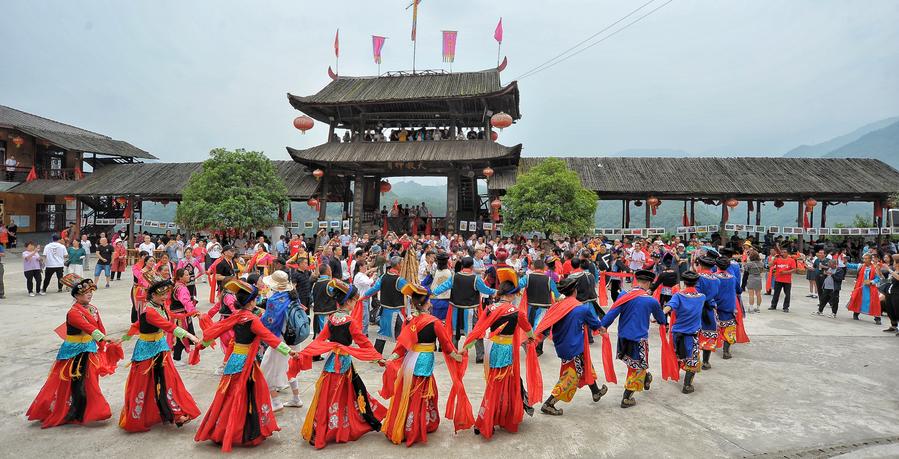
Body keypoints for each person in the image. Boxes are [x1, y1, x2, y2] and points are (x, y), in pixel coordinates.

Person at [194, 279, 298, 452]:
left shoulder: (237, 316)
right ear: (251, 302)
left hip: (234, 359)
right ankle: (242, 430)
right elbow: (269, 337)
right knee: (245, 395)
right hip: (247, 363)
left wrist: (200, 345)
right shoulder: (252, 320)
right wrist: (289, 351)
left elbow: (216, 330)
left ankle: (222, 428)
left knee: (229, 394)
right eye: (255, 299)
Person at [296, 279, 385, 449]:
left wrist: (304, 353)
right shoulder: (350, 321)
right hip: (343, 362)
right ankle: (338, 427)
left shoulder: (332, 318)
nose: (355, 303)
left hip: (331, 362)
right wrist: (377, 357)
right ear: (349, 301)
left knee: (328, 396)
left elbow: (320, 339)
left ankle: (321, 428)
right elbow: (363, 342)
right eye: (354, 300)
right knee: (342, 395)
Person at [380, 283, 469, 446]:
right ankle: (416, 426)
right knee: (421, 392)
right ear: (427, 302)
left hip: (410, 360)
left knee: (408, 391)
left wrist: (390, 359)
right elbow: (447, 347)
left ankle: (405, 424)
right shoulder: (434, 322)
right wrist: (459, 356)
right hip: (424, 360)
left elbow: (401, 346)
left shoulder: (409, 321)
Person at [27, 277, 120, 428]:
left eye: (91, 291)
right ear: (76, 296)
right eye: (85, 292)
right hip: (73, 352)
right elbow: (89, 328)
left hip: (88, 348)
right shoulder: (73, 313)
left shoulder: (93, 309)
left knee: (90, 380)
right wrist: (103, 338)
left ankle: (90, 409)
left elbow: (99, 326)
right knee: (71, 382)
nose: (89, 294)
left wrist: (103, 343)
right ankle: (74, 410)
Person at [461, 280, 540, 439]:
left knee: (498, 383)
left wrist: (465, 348)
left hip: (491, 348)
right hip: (505, 350)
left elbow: (478, 329)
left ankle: (497, 416)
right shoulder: (516, 312)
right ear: (510, 295)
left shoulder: (490, 308)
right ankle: (486, 420)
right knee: (498, 386)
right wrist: (532, 338)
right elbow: (528, 330)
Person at [119, 277, 201, 432]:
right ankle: (138, 417)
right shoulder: (150, 311)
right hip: (146, 350)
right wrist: (191, 336)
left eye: (166, 293)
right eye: (161, 294)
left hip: (160, 347)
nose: (165, 297)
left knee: (168, 380)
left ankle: (176, 413)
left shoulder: (159, 306)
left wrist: (190, 313)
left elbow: (169, 318)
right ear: (152, 295)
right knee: (142, 384)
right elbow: (167, 326)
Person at [534, 277, 608, 416]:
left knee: (585, 365)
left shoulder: (556, 306)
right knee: (571, 376)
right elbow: (596, 325)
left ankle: (596, 392)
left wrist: (535, 341)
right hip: (574, 347)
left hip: (562, 345)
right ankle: (549, 403)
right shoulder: (581, 309)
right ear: (575, 291)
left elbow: (545, 327)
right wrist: (603, 329)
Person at [598, 269, 667, 408]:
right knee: (638, 367)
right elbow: (661, 319)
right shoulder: (651, 301)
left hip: (623, 337)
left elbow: (613, 311)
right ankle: (627, 398)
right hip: (638, 339)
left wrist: (603, 325)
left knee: (633, 363)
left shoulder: (624, 295)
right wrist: (661, 320)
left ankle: (646, 377)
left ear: (637, 281)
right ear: (649, 283)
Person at [430, 256, 498, 363]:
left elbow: (443, 287)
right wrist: (495, 292)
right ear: (472, 266)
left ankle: (454, 353)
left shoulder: (454, 277)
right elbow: (485, 289)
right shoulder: (475, 279)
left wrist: (432, 293)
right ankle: (480, 355)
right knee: (476, 332)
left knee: (454, 332)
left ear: (462, 266)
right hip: (471, 310)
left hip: (456, 310)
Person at [258, 270, 305, 410]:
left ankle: (276, 402)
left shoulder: (274, 300)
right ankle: (296, 398)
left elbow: (268, 321)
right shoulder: (294, 296)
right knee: (289, 368)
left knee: (266, 369)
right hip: (295, 338)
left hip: (280, 340)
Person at [663, 271, 705, 394]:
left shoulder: (678, 296)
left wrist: (660, 314)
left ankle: (675, 373)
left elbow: (670, 306)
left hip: (677, 333)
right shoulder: (702, 297)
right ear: (696, 283)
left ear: (684, 282)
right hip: (692, 335)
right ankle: (687, 385)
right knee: (692, 359)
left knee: (677, 355)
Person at [363, 256, 410, 354]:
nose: (402, 265)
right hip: (395, 312)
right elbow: (411, 290)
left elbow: (374, 289)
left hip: (384, 311)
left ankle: (376, 355)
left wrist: (364, 296)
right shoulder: (399, 280)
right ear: (397, 265)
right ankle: (404, 355)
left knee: (383, 333)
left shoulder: (383, 277)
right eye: (401, 263)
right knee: (404, 333)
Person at [518, 257, 561, 355]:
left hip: (530, 308)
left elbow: (518, 285)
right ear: (544, 267)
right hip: (544, 308)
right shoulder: (549, 280)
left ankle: (531, 346)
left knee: (532, 328)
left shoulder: (528, 277)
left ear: (534, 267)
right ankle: (535, 348)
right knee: (543, 329)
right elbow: (557, 295)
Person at [694, 255, 720, 370]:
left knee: (694, 334)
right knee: (709, 334)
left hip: (698, 308)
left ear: (700, 265)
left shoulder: (698, 277)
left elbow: (696, 293)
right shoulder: (716, 279)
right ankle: (706, 361)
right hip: (710, 309)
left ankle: (694, 360)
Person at [170, 269, 199, 365]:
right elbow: (186, 301)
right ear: (180, 277)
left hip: (179, 314)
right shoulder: (181, 288)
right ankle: (176, 358)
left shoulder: (177, 285)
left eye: (188, 274)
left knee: (181, 335)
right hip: (180, 316)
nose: (189, 276)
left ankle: (177, 356)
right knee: (181, 336)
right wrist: (194, 312)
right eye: (186, 275)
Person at [714, 257, 740, 360]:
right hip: (728, 307)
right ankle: (726, 351)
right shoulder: (732, 277)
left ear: (717, 265)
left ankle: (707, 358)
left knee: (710, 330)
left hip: (714, 307)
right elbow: (739, 290)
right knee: (728, 329)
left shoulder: (713, 277)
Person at [846, 253, 883, 324]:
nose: (864, 260)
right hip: (860, 287)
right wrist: (845, 262)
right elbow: (851, 265)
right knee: (858, 299)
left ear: (870, 259)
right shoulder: (861, 266)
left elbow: (878, 278)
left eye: (866, 259)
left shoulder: (875, 267)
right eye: (864, 258)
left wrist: (871, 282)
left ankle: (877, 318)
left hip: (871, 288)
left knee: (874, 302)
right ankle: (856, 313)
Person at [428, 252, 454, 321]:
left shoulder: (433, 273)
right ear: (447, 262)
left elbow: (424, 283)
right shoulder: (451, 273)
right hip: (447, 301)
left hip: (434, 301)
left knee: (434, 322)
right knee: (445, 322)